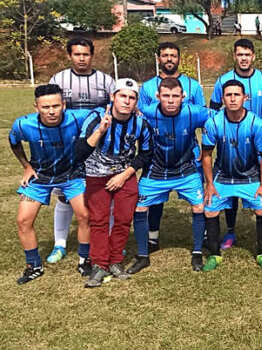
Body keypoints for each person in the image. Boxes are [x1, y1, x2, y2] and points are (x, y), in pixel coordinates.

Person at [9, 84, 91, 284]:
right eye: (45, 107)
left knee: (85, 215)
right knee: (23, 220)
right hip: (40, 177)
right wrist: (26, 166)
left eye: (56, 106)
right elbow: (13, 142)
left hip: (73, 175)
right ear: (36, 107)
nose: (52, 111)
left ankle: (85, 260)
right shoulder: (23, 125)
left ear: (64, 104)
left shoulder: (77, 118)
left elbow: (103, 111)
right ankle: (33, 265)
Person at [129, 78, 212, 274]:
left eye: (175, 96)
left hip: (186, 169)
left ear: (183, 97)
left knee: (199, 207)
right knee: (140, 208)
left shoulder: (194, 112)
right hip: (155, 170)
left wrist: (207, 148)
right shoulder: (147, 112)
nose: (171, 100)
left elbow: (220, 119)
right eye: (166, 96)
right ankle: (142, 255)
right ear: (158, 97)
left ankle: (198, 251)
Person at [76, 79, 153, 287]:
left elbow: (146, 154)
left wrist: (124, 175)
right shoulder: (95, 117)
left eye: (131, 97)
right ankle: (100, 264)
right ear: (113, 97)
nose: (127, 101)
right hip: (96, 174)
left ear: (136, 101)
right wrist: (100, 131)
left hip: (124, 173)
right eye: (122, 96)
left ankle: (116, 260)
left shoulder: (140, 122)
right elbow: (79, 152)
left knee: (123, 218)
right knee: (99, 220)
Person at [47, 37, 114, 265]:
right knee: (65, 195)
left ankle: (106, 241)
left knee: (105, 194)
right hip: (68, 147)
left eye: (85, 54)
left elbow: (116, 107)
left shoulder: (105, 80)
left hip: (99, 146)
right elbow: (50, 110)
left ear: (92, 55)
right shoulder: (59, 79)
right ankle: (60, 244)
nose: (82, 58)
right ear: (70, 55)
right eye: (77, 54)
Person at [137, 42, 206, 262]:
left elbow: (211, 119)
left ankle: (198, 246)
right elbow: (136, 119)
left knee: (199, 203)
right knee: (146, 204)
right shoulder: (147, 94)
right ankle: (150, 241)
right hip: (156, 161)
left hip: (187, 158)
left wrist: (205, 151)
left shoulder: (193, 90)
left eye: (173, 55)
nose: (169, 59)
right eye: (165, 55)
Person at [210, 39, 262, 250]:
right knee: (231, 183)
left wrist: (257, 127)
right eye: (240, 54)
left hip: (257, 142)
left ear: (253, 56)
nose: (244, 58)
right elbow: (213, 109)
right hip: (229, 142)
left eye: (247, 54)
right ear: (234, 56)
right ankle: (231, 232)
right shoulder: (224, 80)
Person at [201, 80, 262, 271]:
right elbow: (206, 156)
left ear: (245, 97)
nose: (232, 99)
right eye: (228, 95)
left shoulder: (256, 123)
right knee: (209, 209)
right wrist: (209, 184)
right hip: (223, 175)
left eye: (236, 95)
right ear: (222, 98)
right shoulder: (213, 122)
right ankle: (215, 255)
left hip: (251, 175)